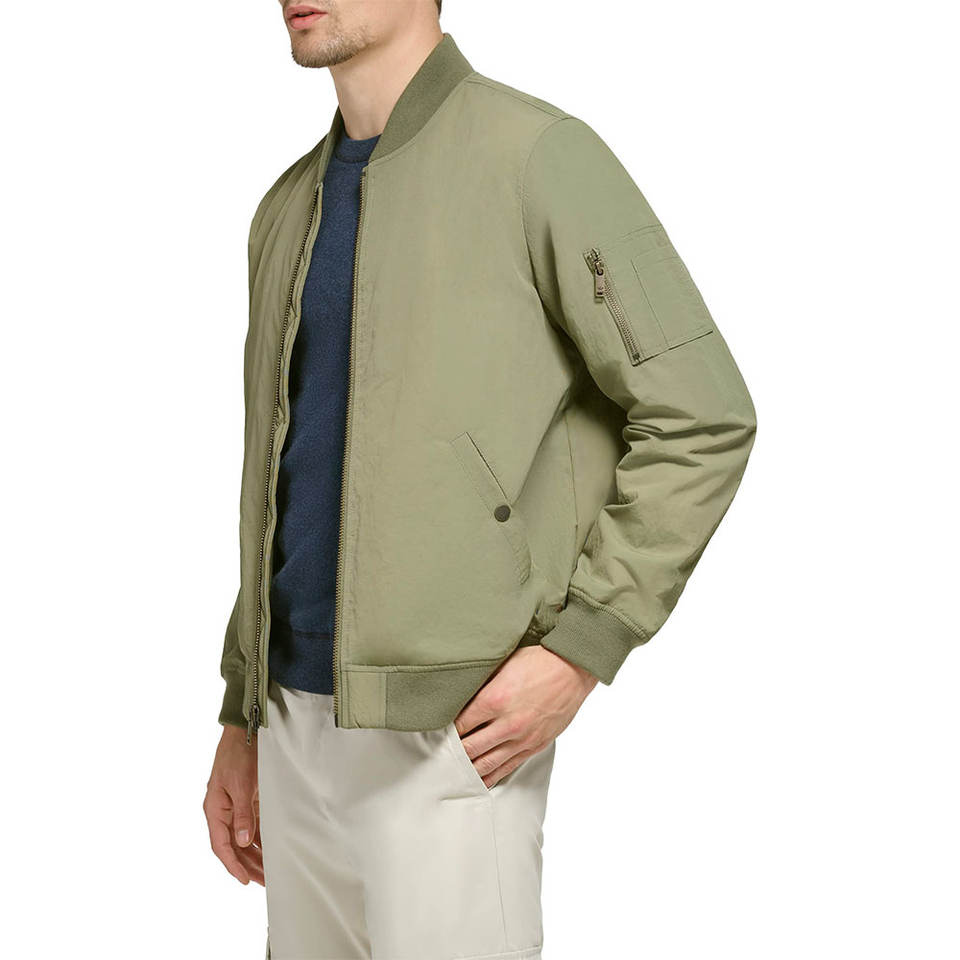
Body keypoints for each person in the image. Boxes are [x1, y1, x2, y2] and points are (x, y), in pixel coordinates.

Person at [203, 2, 757, 957]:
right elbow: (280, 481)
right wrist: (242, 712)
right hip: (291, 731)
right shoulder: (287, 206)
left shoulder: (538, 158)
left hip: (456, 738)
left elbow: (702, 414)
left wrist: (582, 647)